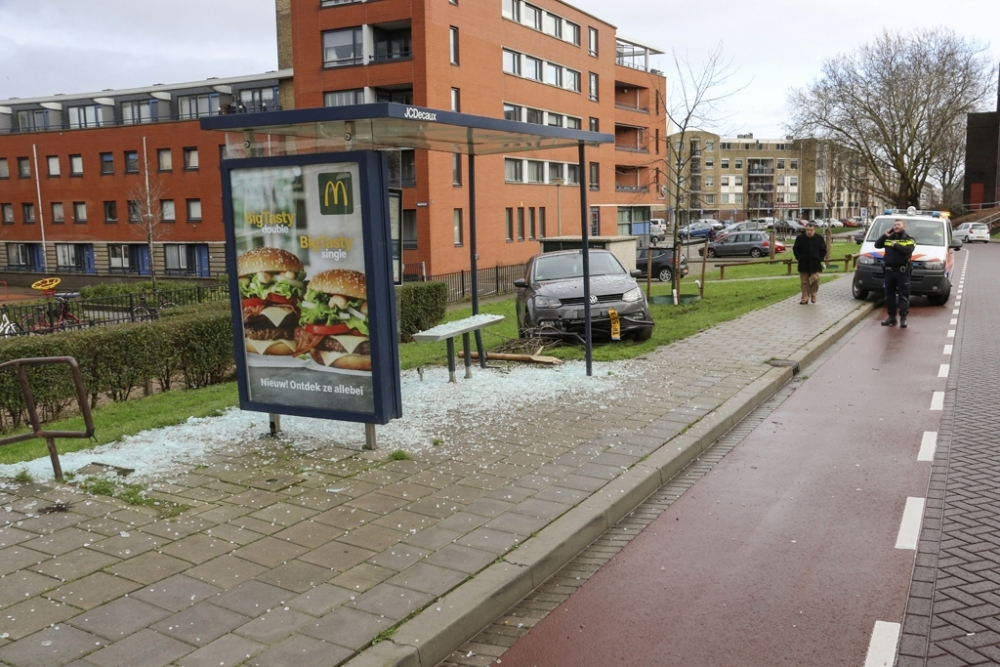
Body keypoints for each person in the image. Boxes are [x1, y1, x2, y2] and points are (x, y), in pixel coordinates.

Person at [875, 218, 916, 327]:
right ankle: (891, 317)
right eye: (895, 225)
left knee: (903, 295)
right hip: (889, 271)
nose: (896, 226)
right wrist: (885, 235)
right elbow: (877, 245)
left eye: (898, 224)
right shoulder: (889, 238)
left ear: (904, 227)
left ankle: (903, 318)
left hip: (902, 271)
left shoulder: (909, 239)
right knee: (889, 295)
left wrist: (895, 245)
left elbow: (909, 250)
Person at [792, 222, 826, 304]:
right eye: (807, 230)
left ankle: (813, 293)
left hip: (815, 263)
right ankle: (805, 298)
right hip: (803, 263)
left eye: (811, 230)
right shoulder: (800, 238)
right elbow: (795, 249)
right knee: (804, 282)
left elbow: (823, 250)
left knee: (816, 279)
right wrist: (799, 257)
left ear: (814, 230)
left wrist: (820, 258)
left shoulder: (819, 238)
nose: (809, 232)